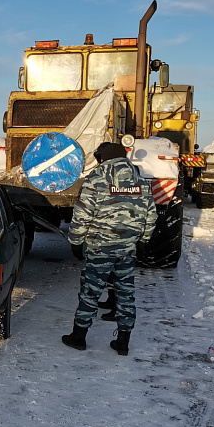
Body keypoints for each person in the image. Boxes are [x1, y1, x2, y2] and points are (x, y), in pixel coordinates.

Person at [62, 142, 156, 355]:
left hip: (100, 248)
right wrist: (143, 240)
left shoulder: (96, 180)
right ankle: (123, 342)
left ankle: (79, 337)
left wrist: (76, 242)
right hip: (127, 249)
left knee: (90, 292)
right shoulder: (141, 181)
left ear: (103, 158)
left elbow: (82, 215)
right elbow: (150, 215)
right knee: (125, 293)